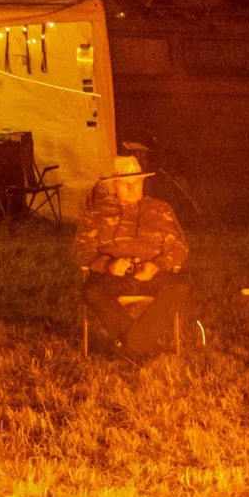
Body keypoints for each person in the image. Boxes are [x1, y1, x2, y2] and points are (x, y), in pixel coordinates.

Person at [73, 153, 192, 361]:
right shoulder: (97, 212)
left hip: (152, 273)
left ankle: (129, 346)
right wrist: (109, 265)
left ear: (143, 182)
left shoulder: (160, 209)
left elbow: (179, 247)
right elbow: (81, 251)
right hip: (112, 277)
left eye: (136, 182)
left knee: (180, 286)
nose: (131, 188)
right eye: (125, 183)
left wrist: (157, 266)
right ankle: (143, 346)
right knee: (91, 290)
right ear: (114, 185)